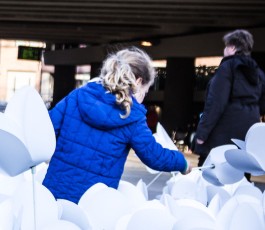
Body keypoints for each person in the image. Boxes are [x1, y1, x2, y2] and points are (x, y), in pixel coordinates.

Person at [42, 47, 191, 206]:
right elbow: (154, 156)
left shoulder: (76, 97)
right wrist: (182, 163)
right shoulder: (132, 117)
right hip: (94, 204)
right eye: (145, 92)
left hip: (53, 195)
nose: (143, 98)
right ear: (138, 82)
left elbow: (45, 130)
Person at [195, 29, 265, 166]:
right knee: (241, 174)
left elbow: (216, 103)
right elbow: (263, 103)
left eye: (226, 46)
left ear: (232, 48)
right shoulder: (259, 73)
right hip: (247, 134)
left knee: (210, 173)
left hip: (222, 134)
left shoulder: (227, 68)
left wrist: (202, 134)